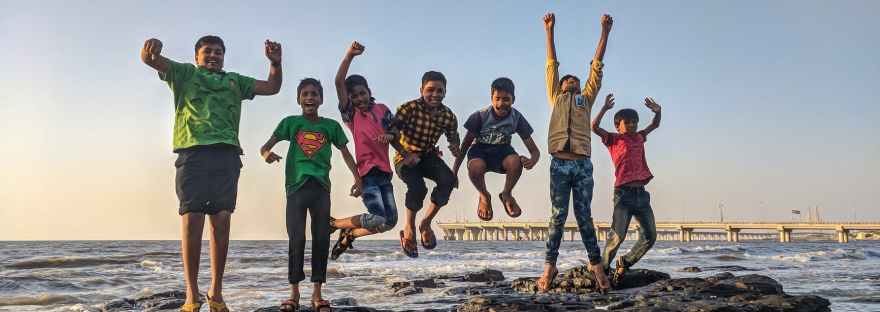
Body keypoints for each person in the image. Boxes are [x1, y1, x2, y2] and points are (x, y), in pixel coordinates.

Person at [141, 35, 282, 312]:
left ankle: (215, 292)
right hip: (191, 152)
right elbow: (151, 61)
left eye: (219, 52)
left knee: (221, 220)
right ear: (197, 56)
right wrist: (151, 49)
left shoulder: (235, 80)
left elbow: (272, 87)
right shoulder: (184, 73)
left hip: (226, 154)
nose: (214, 56)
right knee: (192, 219)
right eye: (208, 51)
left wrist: (275, 63)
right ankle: (191, 294)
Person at [260, 79, 361, 312]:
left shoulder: (331, 126)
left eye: (314, 94)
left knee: (321, 239)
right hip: (295, 187)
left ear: (321, 99)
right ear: (298, 99)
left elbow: (346, 153)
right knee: (296, 239)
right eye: (305, 94)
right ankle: (293, 293)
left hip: (321, 187)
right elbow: (265, 146)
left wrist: (358, 178)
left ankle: (317, 294)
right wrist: (267, 153)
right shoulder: (290, 123)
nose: (310, 98)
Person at [537, 12, 613, 293]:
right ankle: (549, 265)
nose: (571, 82)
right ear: (559, 86)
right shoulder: (555, 97)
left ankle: (596, 265)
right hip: (559, 164)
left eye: (575, 81)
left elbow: (596, 68)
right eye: (566, 80)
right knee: (557, 217)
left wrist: (604, 33)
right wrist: (549, 31)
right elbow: (551, 65)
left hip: (581, 166)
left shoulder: (586, 100)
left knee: (584, 217)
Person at [329, 41, 399, 260]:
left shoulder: (382, 110)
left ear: (369, 91)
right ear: (349, 100)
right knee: (377, 218)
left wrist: (391, 136)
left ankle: (349, 234)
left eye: (362, 93)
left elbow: (396, 133)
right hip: (367, 173)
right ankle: (334, 223)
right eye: (354, 96)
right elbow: (339, 82)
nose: (359, 99)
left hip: (385, 173)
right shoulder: (352, 116)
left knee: (390, 222)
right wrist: (350, 55)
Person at [593, 94, 661, 287]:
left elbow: (654, 125)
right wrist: (604, 109)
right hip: (623, 194)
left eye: (635, 122)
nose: (632, 125)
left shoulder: (640, 137)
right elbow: (594, 128)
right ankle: (603, 270)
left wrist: (658, 112)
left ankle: (625, 262)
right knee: (618, 235)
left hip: (641, 195)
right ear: (618, 125)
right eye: (628, 122)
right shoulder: (613, 139)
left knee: (650, 236)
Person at [392, 71, 462, 258]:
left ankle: (425, 223)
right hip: (405, 157)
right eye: (430, 90)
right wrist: (406, 154)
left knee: (448, 180)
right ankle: (409, 227)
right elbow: (391, 133)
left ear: (445, 92)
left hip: (429, 156)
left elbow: (453, 136)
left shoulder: (448, 115)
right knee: (418, 188)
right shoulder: (409, 108)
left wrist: (455, 146)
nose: (435, 94)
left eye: (440, 91)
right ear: (421, 89)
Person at [452, 77, 540, 221]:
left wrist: (532, 160)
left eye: (506, 99)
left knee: (515, 161)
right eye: (497, 98)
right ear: (491, 98)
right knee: (475, 167)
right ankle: (484, 195)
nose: (501, 104)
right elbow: (464, 147)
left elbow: (534, 151)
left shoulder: (516, 118)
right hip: (480, 151)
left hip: (502, 151)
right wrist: (454, 172)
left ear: (513, 99)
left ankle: (506, 194)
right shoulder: (479, 116)